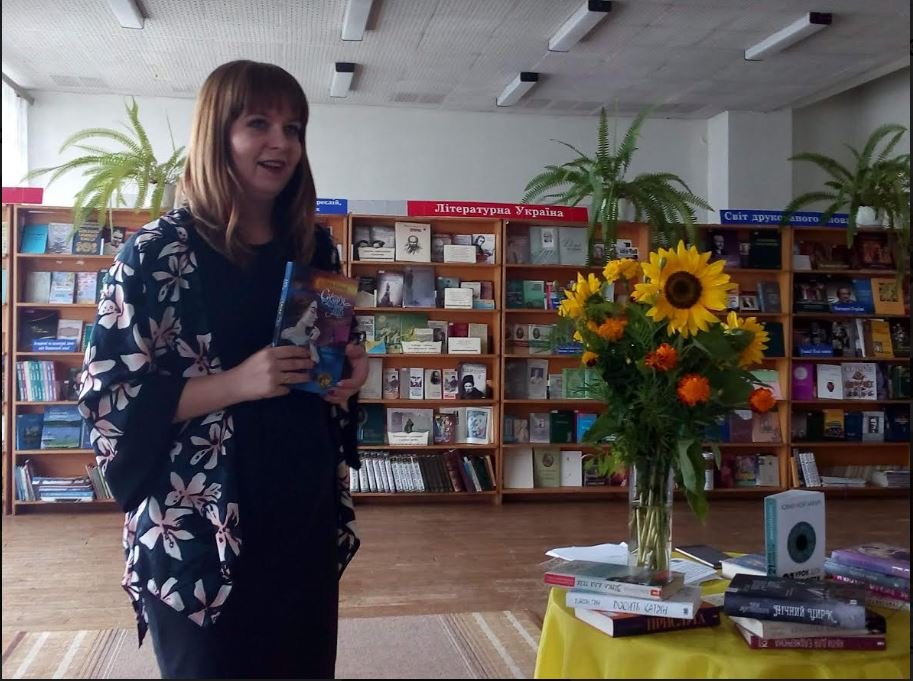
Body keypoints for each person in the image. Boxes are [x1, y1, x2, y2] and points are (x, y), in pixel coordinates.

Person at [77, 60, 367, 679]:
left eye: (293, 128)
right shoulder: (155, 253)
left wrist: (348, 378)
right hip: (197, 523)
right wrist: (237, 383)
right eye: (258, 123)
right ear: (217, 134)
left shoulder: (314, 246)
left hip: (300, 505)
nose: (281, 142)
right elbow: (110, 397)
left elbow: (331, 361)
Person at [280, 297, 322, 363]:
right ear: (302, 310)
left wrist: (312, 341)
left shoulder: (311, 339)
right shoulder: (286, 334)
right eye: (313, 311)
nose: (316, 317)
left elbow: (315, 362)